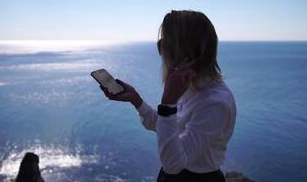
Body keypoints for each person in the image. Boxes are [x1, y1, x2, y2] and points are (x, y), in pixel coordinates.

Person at [100, 10, 237, 182]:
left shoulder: (215, 103)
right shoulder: (188, 85)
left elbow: (173, 164)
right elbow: (168, 127)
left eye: (165, 43)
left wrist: (168, 104)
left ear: (183, 50)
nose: (161, 49)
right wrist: (137, 101)